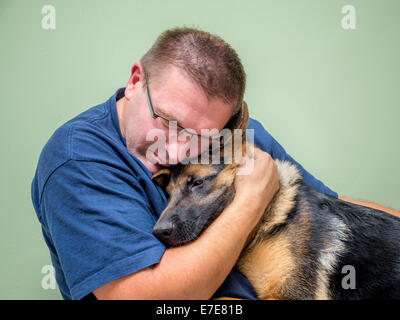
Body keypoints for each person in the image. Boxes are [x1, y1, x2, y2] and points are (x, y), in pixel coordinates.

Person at [31, 27, 399, 300]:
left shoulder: (234, 136)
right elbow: (149, 299)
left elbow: (330, 207)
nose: (176, 151)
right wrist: (253, 195)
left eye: (200, 137)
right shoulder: (78, 159)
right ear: (135, 80)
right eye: (166, 121)